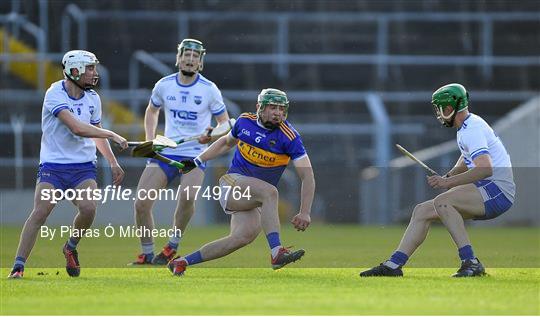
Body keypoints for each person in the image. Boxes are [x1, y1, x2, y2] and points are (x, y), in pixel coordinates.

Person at [360, 83, 515, 278]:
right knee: (422, 211)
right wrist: (448, 176)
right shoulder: (468, 126)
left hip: (496, 191)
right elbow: (466, 158)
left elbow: (484, 168)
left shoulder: (471, 129)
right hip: (488, 189)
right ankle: (393, 265)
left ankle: (471, 262)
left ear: (451, 108)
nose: (439, 114)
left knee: (443, 201)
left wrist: (448, 184)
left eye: (441, 109)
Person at [167, 88, 315, 276]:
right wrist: (197, 160)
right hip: (232, 184)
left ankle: (182, 262)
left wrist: (305, 212)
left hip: (253, 197)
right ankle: (277, 252)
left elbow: (307, 175)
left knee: (240, 238)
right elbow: (225, 143)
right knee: (270, 192)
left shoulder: (289, 136)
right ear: (259, 107)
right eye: (272, 107)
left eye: (281, 108)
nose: (278, 113)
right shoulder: (245, 121)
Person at [8, 50, 128, 278]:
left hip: (83, 167)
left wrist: (113, 162)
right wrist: (112, 134)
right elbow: (77, 128)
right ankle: (18, 266)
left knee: (89, 208)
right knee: (40, 212)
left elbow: (95, 134)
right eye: (90, 68)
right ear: (75, 71)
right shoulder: (55, 93)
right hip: (53, 166)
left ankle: (70, 247)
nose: (94, 72)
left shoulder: (93, 98)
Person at [131, 39, 230, 265]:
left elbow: (225, 124)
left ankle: (172, 246)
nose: (190, 59)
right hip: (166, 151)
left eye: (196, 56)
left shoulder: (209, 89)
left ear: (200, 62)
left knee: (187, 196)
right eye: (187, 54)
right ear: (179, 57)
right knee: (141, 203)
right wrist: (150, 140)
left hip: (195, 153)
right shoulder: (164, 85)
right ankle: (147, 253)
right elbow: (152, 111)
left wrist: (212, 134)